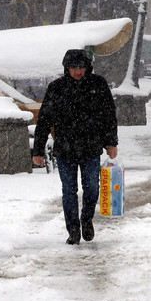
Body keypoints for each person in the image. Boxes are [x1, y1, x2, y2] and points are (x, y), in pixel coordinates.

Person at [32, 48, 118, 245]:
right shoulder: (57, 88)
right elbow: (44, 120)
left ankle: (86, 219)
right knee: (69, 191)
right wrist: (38, 150)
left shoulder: (98, 84)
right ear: (66, 68)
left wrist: (111, 142)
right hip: (65, 149)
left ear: (87, 67)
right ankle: (73, 229)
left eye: (81, 67)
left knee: (92, 190)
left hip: (91, 147)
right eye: (74, 67)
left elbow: (108, 115)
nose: (78, 72)